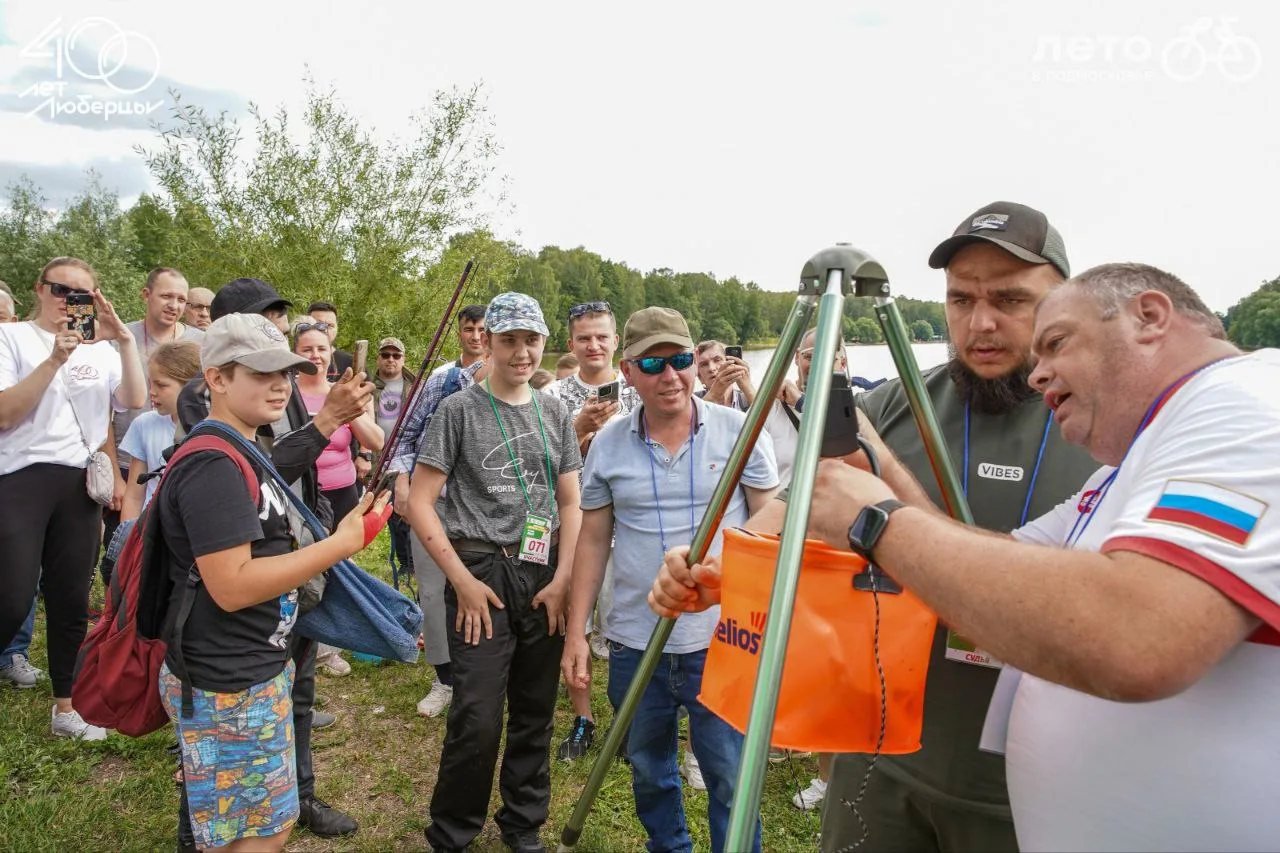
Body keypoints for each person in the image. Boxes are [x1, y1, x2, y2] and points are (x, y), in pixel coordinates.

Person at [674, 263, 1280, 851]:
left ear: (1149, 317)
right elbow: (989, 573)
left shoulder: (1246, 407)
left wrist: (874, 519)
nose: (1039, 375)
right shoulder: (1137, 461)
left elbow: (1142, 637)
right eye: (960, 300)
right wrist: (881, 481)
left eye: (1056, 342)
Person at [655, 201, 1100, 853]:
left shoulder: (1107, 426)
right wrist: (725, 566)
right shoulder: (895, 403)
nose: (980, 322)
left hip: (1033, 786)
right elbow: (805, 500)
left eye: (1010, 299)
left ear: (1064, 300)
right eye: (961, 298)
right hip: (879, 753)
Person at [157, 311, 391, 853]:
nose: (280, 385)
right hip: (226, 677)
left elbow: (276, 469)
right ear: (216, 378)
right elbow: (232, 586)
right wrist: (341, 544)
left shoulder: (239, 446)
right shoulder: (213, 464)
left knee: (252, 822)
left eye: (284, 372)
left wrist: (326, 423)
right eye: (260, 373)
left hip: (247, 666)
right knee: (259, 832)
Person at [563, 306, 777, 853]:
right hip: (635, 640)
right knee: (648, 769)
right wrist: (576, 632)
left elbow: (770, 525)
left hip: (723, 638)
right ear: (628, 371)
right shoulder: (607, 443)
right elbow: (592, 541)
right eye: (652, 364)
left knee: (731, 776)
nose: (670, 376)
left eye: (679, 360)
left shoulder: (740, 431)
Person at [407, 292, 582, 853]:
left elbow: (571, 501)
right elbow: (419, 501)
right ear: (488, 341)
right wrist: (460, 580)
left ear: (543, 342)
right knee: (477, 714)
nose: (522, 352)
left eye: (532, 340)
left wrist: (563, 578)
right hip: (479, 571)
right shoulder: (458, 411)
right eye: (509, 340)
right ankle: (452, 831)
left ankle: (522, 823)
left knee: (535, 706)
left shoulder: (555, 412)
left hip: (541, 571)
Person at [0, 257, 146, 740]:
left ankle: (67, 706)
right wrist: (54, 360)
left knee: (70, 598)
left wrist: (124, 341)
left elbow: (133, 400)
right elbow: (5, 414)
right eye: (61, 290)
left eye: (82, 293)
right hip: (20, 476)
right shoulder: (12, 337)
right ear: (39, 289)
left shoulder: (101, 349)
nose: (69, 301)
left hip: (79, 481)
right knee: (12, 596)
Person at [544, 300, 640, 760]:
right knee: (574, 625)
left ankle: (627, 720)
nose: (594, 345)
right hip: (575, 529)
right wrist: (576, 430)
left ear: (616, 341)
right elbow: (536, 466)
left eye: (602, 336)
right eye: (584, 338)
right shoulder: (552, 396)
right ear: (571, 343)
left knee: (628, 629)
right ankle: (583, 718)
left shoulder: (638, 390)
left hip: (632, 528)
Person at [390, 344, 490, 720]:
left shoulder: (525, 391)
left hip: (487, 512)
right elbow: (403, 436)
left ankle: (482, 676)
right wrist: (402, 482)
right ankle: (444, 679)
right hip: (434, 504)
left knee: (486, 589)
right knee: (433, 592)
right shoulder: (441, 382)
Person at [105, 268, 205, 579]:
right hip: (130, 460)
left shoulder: (202, 342)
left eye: (181, 299)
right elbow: (103, 411)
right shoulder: (119, 338)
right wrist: (114, 473)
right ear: (146, 295)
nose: (174, 305)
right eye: (166, 296)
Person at [292, 319, 384, 521]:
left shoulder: (342, 392)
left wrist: (345, 404)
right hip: (299, 494)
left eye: (321, 349)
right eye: (307, 349)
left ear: (330, 353)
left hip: (343, 492)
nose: (315, 355)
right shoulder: (285, 392)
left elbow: (376, 441)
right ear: (295, 354)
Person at [119, 341, 202, 521]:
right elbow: (134, 496)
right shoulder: (144, 424)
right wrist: (127, 534)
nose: (152, 392)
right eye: (150, 384)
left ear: (192, 386)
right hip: (150, 529)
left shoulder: (212, 430)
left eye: (161, 385)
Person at [373, 336, 417, 581]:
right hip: (376, 460)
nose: (391, 359)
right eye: (386, 355)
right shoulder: (367, 386)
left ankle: (412, 561)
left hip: (408, 458)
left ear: (403, 359)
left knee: (408, 509)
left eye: (396, 355)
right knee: (391, 513)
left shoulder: (417, 386)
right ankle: (404, 561)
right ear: (378, 358)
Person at [430, 304, 487, 376]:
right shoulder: (440, 374)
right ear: (459, 336)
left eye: (482, 330)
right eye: (469, 330)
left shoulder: (500, 376)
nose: (476, 337)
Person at [307, 301, 354, 382]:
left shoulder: (351, 362)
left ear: (337, 328)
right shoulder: (294, 361)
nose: (325, 330)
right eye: (319, 325)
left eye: (330, 325)